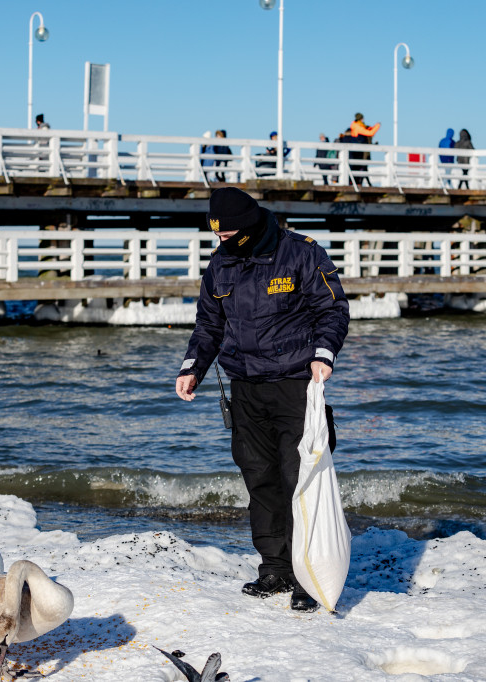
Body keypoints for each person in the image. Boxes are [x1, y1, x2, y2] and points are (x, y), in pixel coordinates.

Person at [175, 187, 349, 613]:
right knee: (260, 478)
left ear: (249, 228)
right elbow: (208, 326)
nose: (219, 242)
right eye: (215, 235)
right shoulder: (221, 264)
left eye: (226, 235)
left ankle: (308, 576)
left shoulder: (302, 253)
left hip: (296, 385)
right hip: (246, 389)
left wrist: (324, 355)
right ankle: (275, 568)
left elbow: (333, 309)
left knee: (298, 479)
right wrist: (192, 367)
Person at [348, 113, 380, 186]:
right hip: (357, 151)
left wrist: (373, 127)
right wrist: (377, 126)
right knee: (359, 166)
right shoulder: (357, 126)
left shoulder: (359, 126)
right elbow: (370, 133)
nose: (363, 120)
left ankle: (358, 183)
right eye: (362, 118)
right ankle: (357, 183)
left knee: (360, 167)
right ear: (360, 119)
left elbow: (368, 129)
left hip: (359, 151)